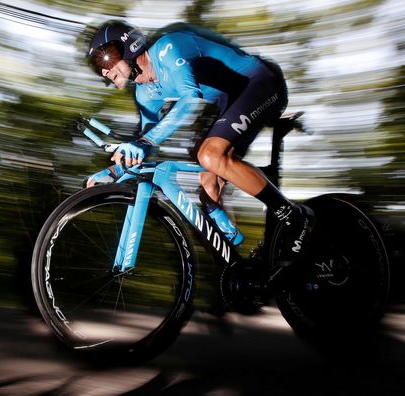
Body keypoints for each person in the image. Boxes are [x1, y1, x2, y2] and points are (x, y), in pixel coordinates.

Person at [85, 20, 314, 261]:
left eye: (106, 59)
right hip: (232, 101)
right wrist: (113, 171)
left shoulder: (167, 48)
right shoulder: (144, 92)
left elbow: (190, 98)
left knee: (210, 155)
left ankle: (294, 217)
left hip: (261, 82)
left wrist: (144, 143)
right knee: (208, 184)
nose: (103, 70)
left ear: (130, 46)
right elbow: (145, 143)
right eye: (98, 65)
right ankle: (246, 267)